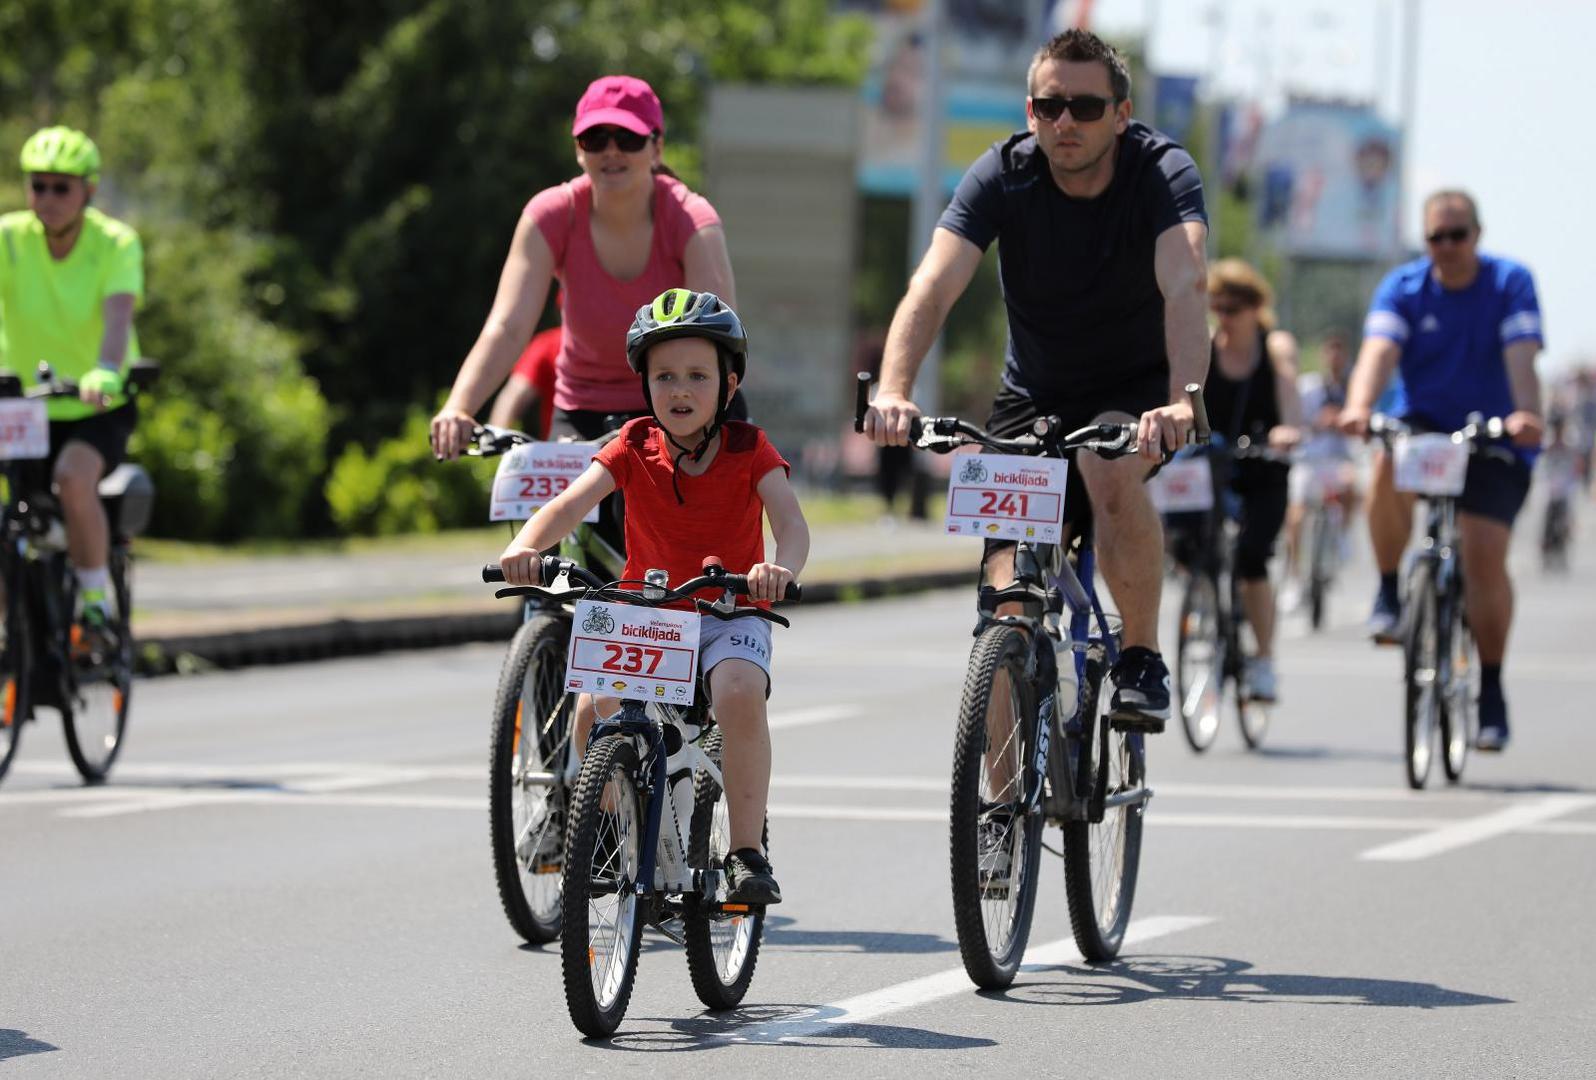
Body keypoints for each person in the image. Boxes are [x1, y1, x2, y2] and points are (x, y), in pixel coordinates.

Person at [862, 29, 1209, 731]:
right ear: (1030, 111)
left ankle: (1141, 656)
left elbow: (1185, 282)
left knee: (1108, 470)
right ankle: (996, 823)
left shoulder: (1161, 170)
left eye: (1085, 107)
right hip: (1034, 397)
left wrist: (1180, 400)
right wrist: (894, 390)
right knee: (1007, 611)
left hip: (1140, 391)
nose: (1065, 122)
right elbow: (932, 284)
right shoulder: (1003, 172)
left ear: (1121, 112)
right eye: (1050, 105)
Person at [497, 289, 808, 904]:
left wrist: (779, 568)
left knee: (739, 693)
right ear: (645, 385)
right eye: (664, 376)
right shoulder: (631, 445)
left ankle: (746, 850)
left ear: (729, 383)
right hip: (648, 616)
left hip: (727, 610)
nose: (680, 390)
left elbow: (792, 525)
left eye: (697, 375)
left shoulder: (751, 449)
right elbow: (568, 505)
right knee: (592, 710)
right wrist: (527, 546)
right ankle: (619, 828)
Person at [430, 74, 739, 457]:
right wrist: (460, 406)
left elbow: (718, 337)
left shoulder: (692, 219)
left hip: (681, 406)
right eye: (595, 139)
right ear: (579, 151)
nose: (611, 151)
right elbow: (508, 327)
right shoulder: (550, 215)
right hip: (583, 410)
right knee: (551, 516)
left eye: (627, 138)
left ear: (656, 147)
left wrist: (693, 425)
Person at [1340, 189, 1545, 751]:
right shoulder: (1404, 288)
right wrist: (1360, 406)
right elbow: (1378, 353)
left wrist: (1526, 414)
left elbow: (1521, 357)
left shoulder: (1509, 283)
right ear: (1424, 240)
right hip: (1425, 427)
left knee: (1482, 555)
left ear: (1478, 235)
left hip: (1494, 435)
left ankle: (1493, 689)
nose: (1448, 248)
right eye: (1436, 237)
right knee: (1387, 459)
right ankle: (1388, 591)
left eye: (1459, 236)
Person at [0, 126, 142, 651]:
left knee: (72, 478)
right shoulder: (9, 239)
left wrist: (106, 369)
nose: (48, 199)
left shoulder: (115, 243)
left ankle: (95, 604)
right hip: (21, 408)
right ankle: (12, 626)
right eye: (39, 186)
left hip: (93, 404)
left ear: (89, 191)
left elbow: (118, 315)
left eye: (63, 187)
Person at [1171, 259, 1301, 701]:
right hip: (1214, 461)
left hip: (1264, 462)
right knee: (1187, 540)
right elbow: (1184, 399)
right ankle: (1204, 600)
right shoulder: (1206, 347)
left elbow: (1287, 389)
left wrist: (1289, 429)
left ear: (1255, 306)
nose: (1225, 315)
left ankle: (1263, 660)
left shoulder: (1275, 346)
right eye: (1219, 306)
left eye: (1235, 306)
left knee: (1252, 558)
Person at [1282, 330, 1360, 609]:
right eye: (1331, 350)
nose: (1335, 357)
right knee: (1297, 511)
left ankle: (1342, 536)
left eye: (1341, 351)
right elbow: (1294, 421)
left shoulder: (1354, 387)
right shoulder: (1309, 387)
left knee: (1352, 485)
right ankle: (1294, 574)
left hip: (1338, 459)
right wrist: (1319, 422)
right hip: (1310, 458)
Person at [487, 325, 560, 438]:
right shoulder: (549, 344)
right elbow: (514, 393)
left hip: (560, 447)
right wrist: (498, 435)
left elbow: (514, 394)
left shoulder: (549, 342)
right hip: (562, 446)